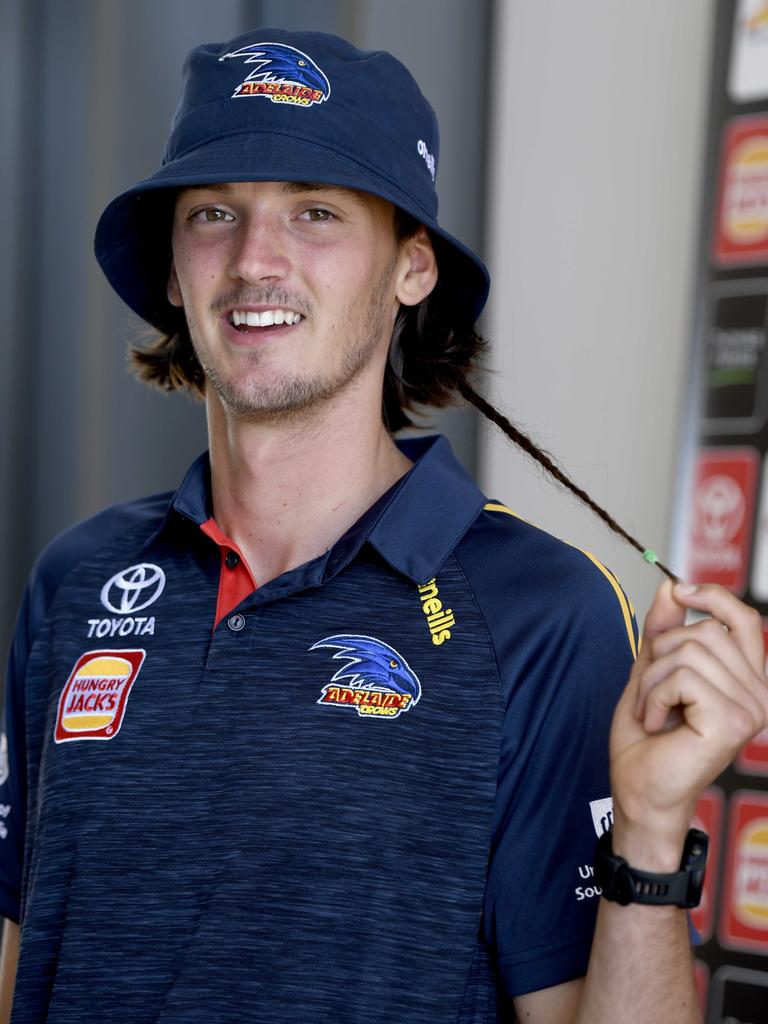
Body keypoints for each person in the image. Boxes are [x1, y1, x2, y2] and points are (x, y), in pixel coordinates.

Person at [0, 27, 765, 1024]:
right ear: (174, 270)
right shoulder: (80, 578)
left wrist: (653, 835)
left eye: (314, 212)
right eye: (213, 212)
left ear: (412, 268)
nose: (253, 258)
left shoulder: (545, 612)